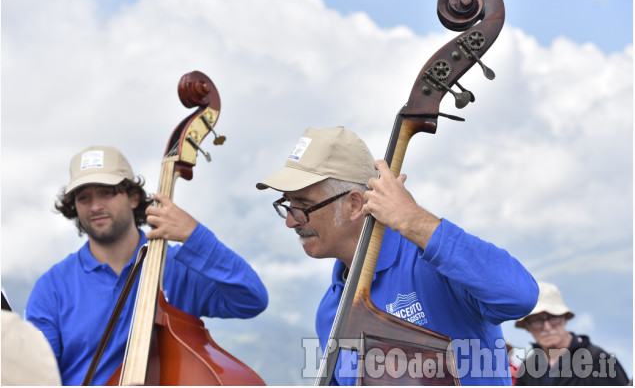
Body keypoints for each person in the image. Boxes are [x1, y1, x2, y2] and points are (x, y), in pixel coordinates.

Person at [256, 126, 539, 385]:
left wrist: (413, 219)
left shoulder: (434, 264)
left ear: (355, 204)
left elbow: (519, 296)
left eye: (303, 206)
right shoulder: (330, 310)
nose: (290, 221)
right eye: (287, 205)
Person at [25, 146, 268, 385]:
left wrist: (195, 236)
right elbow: (35, 377)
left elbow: (251, 299)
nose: (95, 206)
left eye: (106, 192)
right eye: (83, 198)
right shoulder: (52, 287)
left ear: (132, 197)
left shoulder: (177, 267)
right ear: (74, 207)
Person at [514, 281, 629, 385]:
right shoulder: (527, 370)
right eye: (536, 320)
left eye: (553, 317)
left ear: (565, 319)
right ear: (527, 327)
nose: (547, 327)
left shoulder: (599, 361)